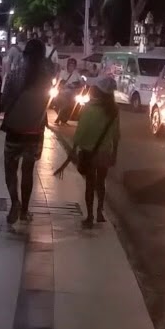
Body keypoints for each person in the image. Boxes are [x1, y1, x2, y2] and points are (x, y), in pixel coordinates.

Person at [0, 39, 53, 225]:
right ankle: (24, 211)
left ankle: (15, 201)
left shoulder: (14, 75)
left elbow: (5, 101)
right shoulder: (47, 78)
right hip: (34, 131)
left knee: (10, 169)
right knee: (28, 171)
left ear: (25, 54)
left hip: (14, 129)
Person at [67, 76, 120, 228]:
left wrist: (73, 149)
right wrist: (114, 153)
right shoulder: (114, 111)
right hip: (105, 153)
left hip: (89, 152)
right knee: (101, 183)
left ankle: (89, 216)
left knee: (90, 185)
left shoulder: (89, 108)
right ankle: (99, 212)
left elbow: (81, 131)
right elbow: (116, 135)